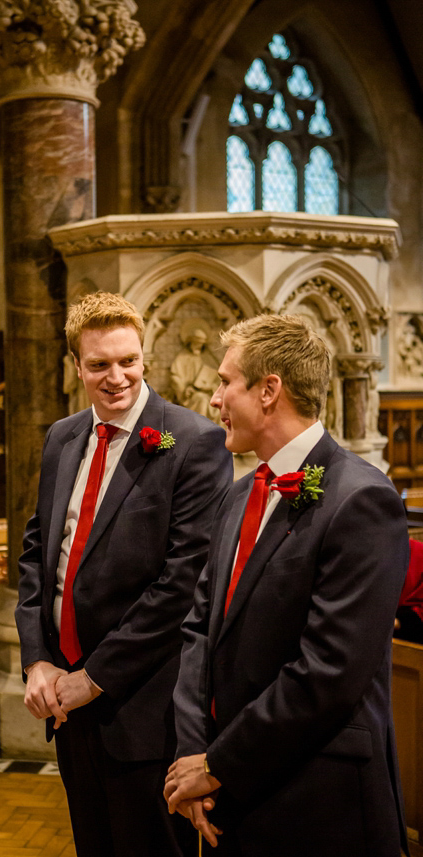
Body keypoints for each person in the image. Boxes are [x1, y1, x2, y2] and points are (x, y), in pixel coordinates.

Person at [164, 314, 410, 856]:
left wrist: (219, 763)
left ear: (268, 390)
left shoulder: (360, 500)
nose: (214, 399)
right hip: (232, 794)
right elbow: (198, 630)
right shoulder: (238, 494)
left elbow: (328, 673)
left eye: (226, 382)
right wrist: (194, 759)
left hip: (320, 800)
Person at [16, 291, 231, 857]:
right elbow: (39, 551)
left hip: (141, 706)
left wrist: (94, 677)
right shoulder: (63, 437)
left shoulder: (193, 442)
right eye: (99, 365)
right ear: (77, 367)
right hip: (66, 702)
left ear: (144, 357)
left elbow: (182, 582)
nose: (117, 377)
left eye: (128, 361)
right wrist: (37, 658)